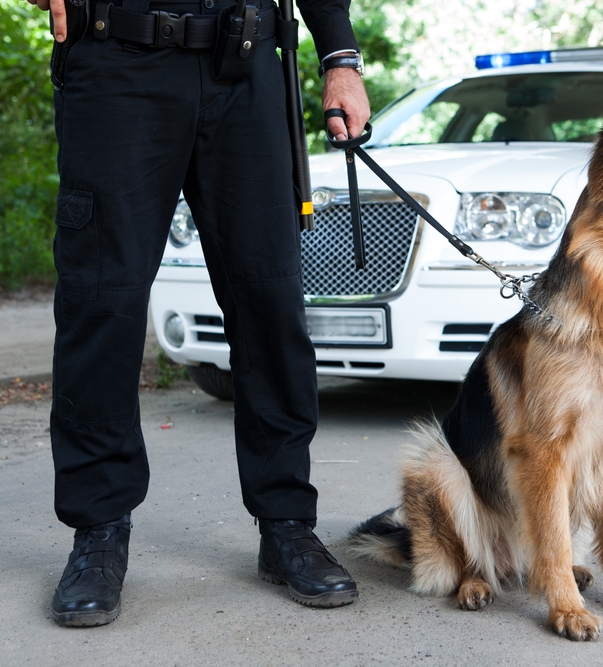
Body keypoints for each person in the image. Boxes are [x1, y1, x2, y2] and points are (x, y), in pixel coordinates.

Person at [27, 0, 371, 627]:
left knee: (270, 305)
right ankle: (99, 530)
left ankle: (287, 524)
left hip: (246, 69)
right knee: (101, 304)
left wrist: (339, 56)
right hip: (114, 60)